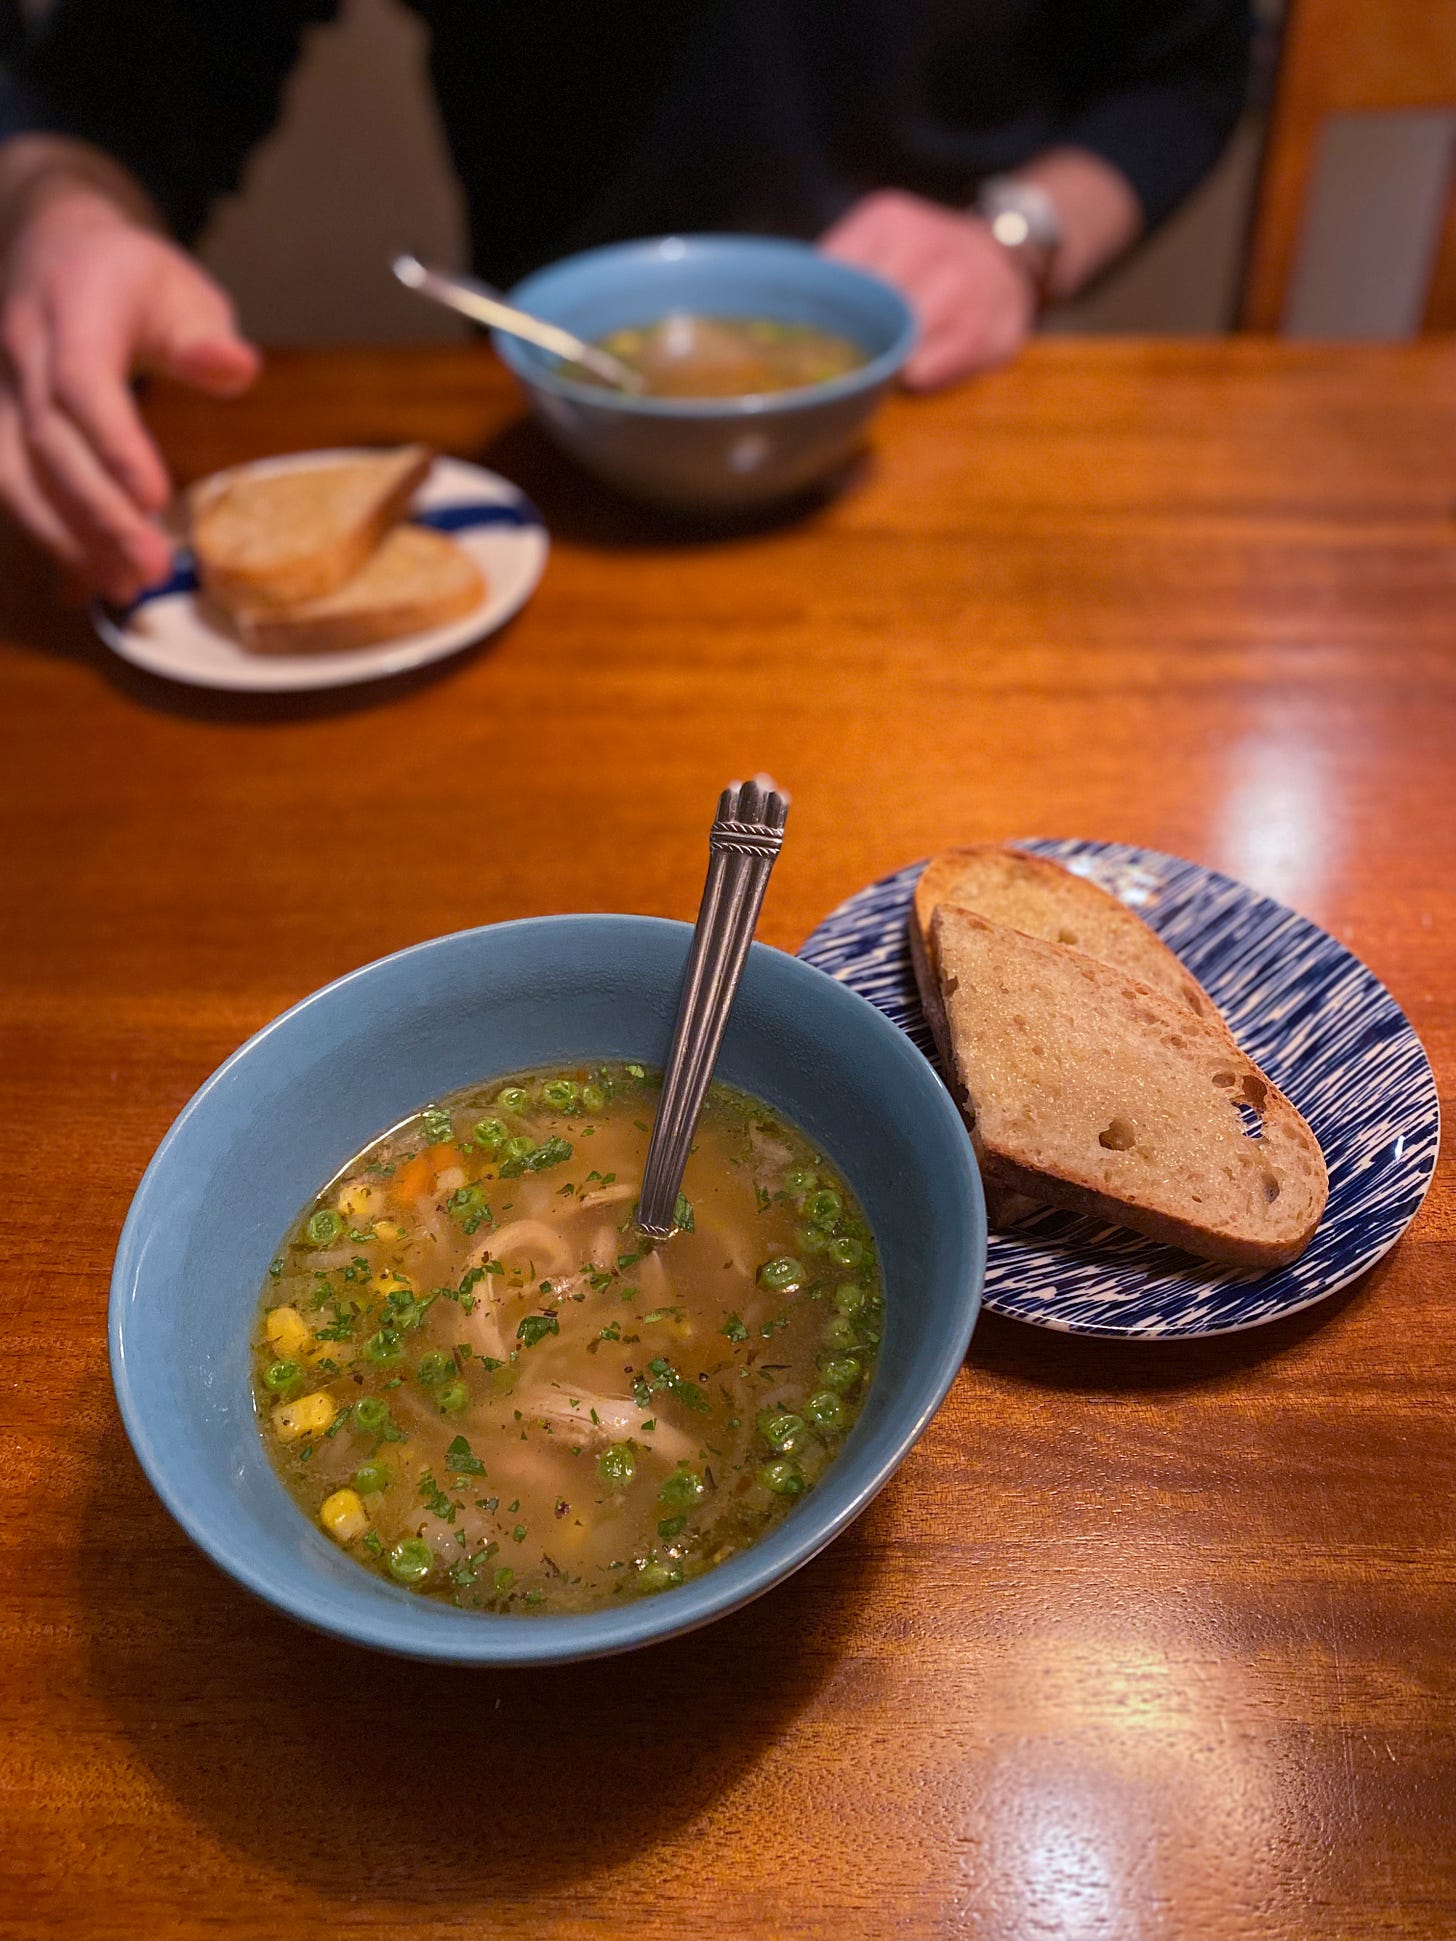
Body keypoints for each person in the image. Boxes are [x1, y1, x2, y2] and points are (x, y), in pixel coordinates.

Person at [0, 1, 1249, 600]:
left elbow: (1189, 67)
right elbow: (112, 90)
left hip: (959, 445)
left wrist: (1022, 234)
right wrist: (61, 210)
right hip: (548, 479)